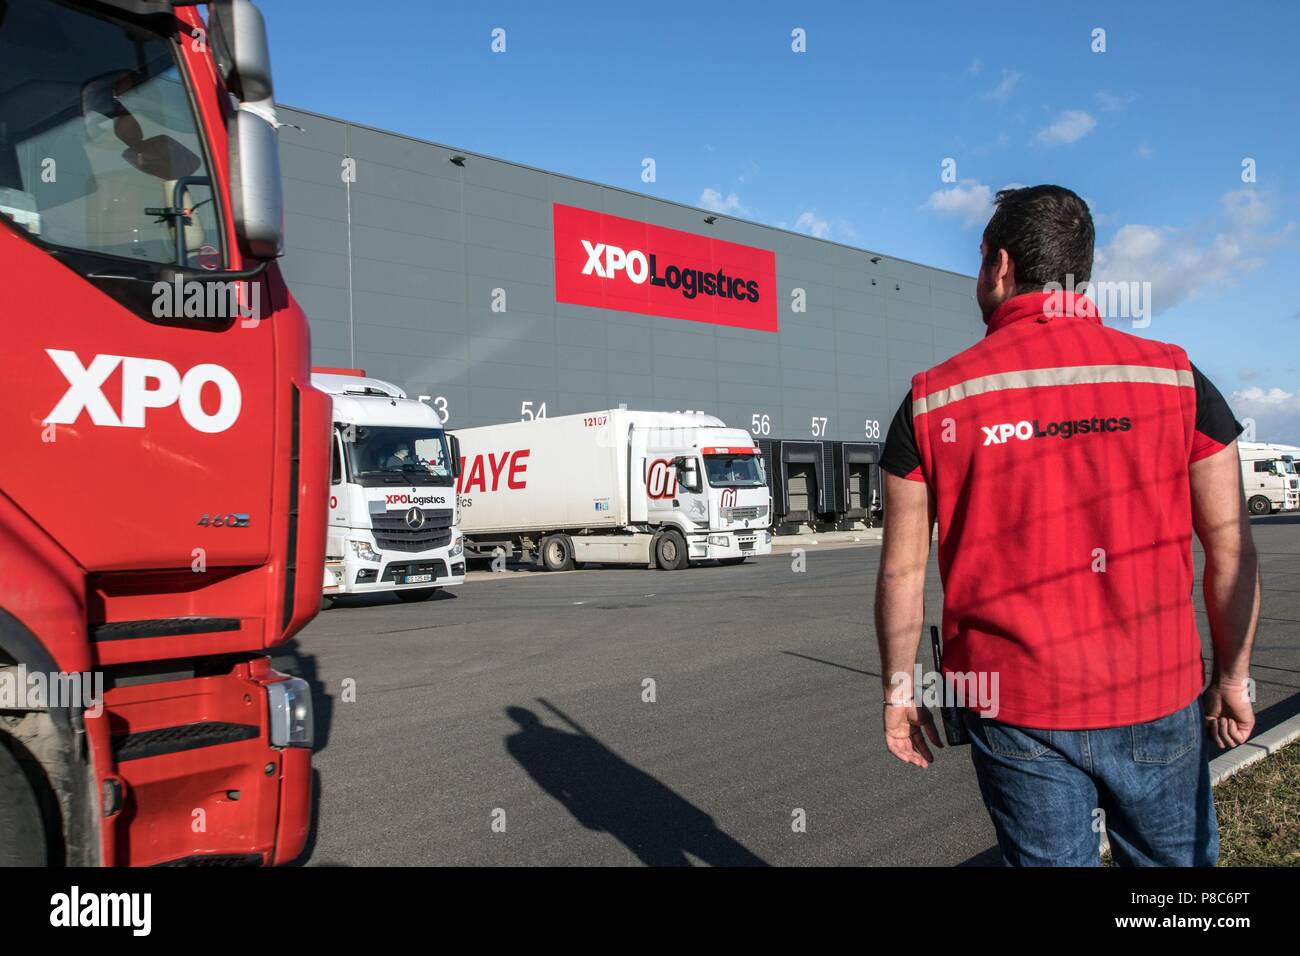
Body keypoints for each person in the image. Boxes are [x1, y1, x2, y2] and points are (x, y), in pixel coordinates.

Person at [874, 185, 1260, 866]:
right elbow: (1229, 548)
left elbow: (902, 569)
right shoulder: (1176, 379)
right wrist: (1231, 679)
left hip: (1013, 706)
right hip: (1157, 692)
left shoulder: (935, 399)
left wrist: (900, 690)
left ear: (999, 267)